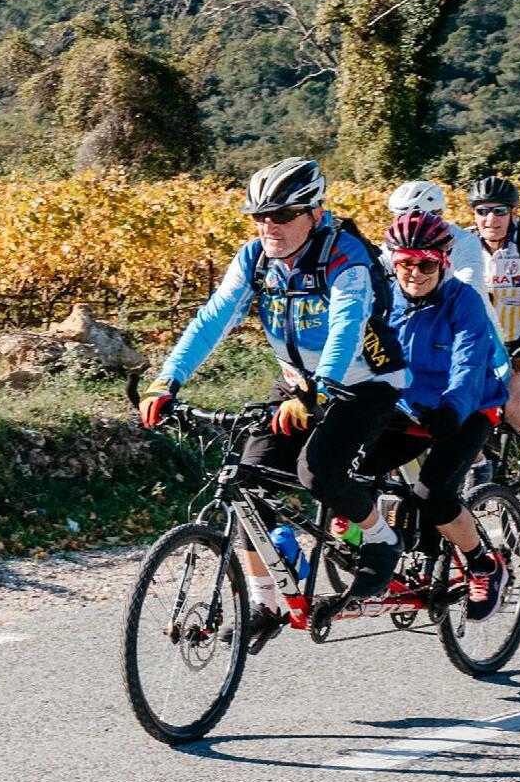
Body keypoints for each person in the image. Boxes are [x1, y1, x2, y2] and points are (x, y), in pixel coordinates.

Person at [140, 158, 408, 642]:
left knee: (319, 472)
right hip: (296, 383)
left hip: (364, 383)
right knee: (248, 478)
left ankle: (381, 539)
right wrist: (167, 380)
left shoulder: (346, 256)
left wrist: (319, 387)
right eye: (260, 216)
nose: (269, 226)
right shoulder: (255, 260)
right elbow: (213, 319)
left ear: (314, 212)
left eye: (282, 215)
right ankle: (265, 604)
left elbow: (346, 326)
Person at [356, 212, 512, 621]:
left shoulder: (464, 301)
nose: (415, 273)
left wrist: (451, 409)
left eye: (426, 264)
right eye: (405, 263)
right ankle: (381, 545)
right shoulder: (382, 299)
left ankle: (483, 564)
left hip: (466, 406)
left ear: (443, 262)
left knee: (433, 495)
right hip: (406, 406)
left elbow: (468, 364)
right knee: (352, 470)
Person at [458, 175, 520, 466]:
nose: (490, 219)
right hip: (488, 338)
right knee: (460, 401)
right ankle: (480, 466)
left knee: (509, 397)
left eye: (499, 211)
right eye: (482, 211)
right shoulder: (464, 243)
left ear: (514, 212)